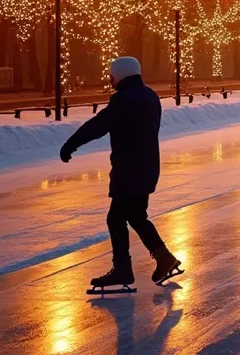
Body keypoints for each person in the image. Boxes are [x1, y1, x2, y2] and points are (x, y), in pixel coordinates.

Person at [61, 57, 182, 293]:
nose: (110, 78)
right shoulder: (150, 96)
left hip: (129, 169)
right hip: (147, 167)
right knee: (136, 216)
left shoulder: (124, 100)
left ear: (120, 75)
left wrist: (70, 144)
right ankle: (164, 257)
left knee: (116, 218)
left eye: (112, 74)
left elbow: (98, 125)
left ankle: (123, 269)